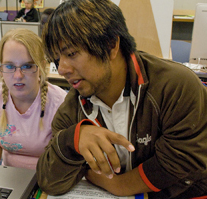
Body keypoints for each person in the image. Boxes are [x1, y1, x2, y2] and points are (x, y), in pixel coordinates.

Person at [37, 0, 207, 198]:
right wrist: (73, 139)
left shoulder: (175, 85)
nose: (63, 68)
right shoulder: (72, 107)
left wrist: (119, 186)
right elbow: (49, 181)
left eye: (72, 53)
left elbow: (182, 163)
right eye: (57, 59)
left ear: (111, 45)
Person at [0, 28, 67, 170]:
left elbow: (64, 161)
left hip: (50, 179)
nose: (18, 75)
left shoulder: (60, 103)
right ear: (0, 68)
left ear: (42, 67)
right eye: (9, 66)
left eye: (27, 66)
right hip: (10, 178)